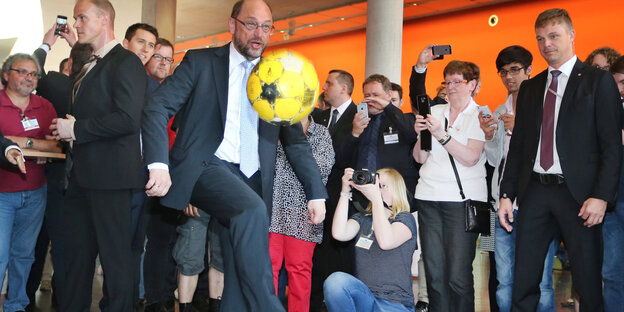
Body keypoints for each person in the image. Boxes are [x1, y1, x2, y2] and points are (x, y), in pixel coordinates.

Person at [141, 0, 327, 310]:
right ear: (232, 25)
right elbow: (158, 108)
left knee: (239, 268)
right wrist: (159, 164)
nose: (259, 34)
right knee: (250, 211)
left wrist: (315, 192)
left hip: (253, 177)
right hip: (207, 167)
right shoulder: (199, 62)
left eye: (266, 27)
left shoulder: (278, 76)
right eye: (251, 24)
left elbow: (295, 142)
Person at [498, 8, 622, 311]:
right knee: (523, 278)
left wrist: (601, 196)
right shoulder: (530, 88)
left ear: (571, 35)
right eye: (540, 38)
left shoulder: (597, 82)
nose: (546, 44)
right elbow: (519, 148)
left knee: (588, 281)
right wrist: (506, 194)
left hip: (579, 196)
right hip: (535, 193)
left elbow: (611, 146)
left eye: (553, 36)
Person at [50, 0, 148, 310]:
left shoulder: (126, 62)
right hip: (82, 179)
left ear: (103, 19)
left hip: (111, 180)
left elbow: (128, 119)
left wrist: (75, 129)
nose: (76, 23)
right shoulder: (89, 65)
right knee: (75, 260)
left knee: (115, 263)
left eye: (82, 17)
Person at [479, 45, 556, 312]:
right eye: (503, 72)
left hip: (538, 200)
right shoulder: (500, 109)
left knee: (543, 281)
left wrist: (522, 129)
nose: (508, 77)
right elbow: (494, 160)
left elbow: (553, 153)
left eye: (514, 70)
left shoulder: (546, 104)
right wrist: (489, 137)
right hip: (503, 202)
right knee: (504, 281)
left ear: (529, 70)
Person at [412, 60, 486, 312]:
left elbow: (471, 157)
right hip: (428, 196)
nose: (451, 87)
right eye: (447, 81)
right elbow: (420, 158)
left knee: (458, 274)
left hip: (464, 202)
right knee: (434, 272)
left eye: (458, 81)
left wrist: (442, 135)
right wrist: (421, 132)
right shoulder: (435, 110)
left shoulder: (481, 114)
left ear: (472, 84)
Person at [0, 53, 62, 312]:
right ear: (6, 75)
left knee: (25, 255)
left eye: (34, 74)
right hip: (2, 192)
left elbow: (57, 144)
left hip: (36, 192)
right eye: (22, 72)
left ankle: (16, 305)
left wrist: (20, 141)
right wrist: (35, 144)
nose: (29, 78)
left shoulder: (45, 106)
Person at [323, 167, 417, 312]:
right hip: (365, 299)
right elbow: (339, 234)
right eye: (376, 185)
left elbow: (386, 241)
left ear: (397, 190)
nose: (378, 190)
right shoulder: (363, 219)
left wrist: (376, 200)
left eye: (383, 186)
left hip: (395, 303)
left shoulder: (405, 218)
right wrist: (345, 192)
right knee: (336, 281)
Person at [269, 115, 334, 312]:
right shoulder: (272, 129)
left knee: (299, 271)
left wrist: (293, 155)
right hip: (272, 209)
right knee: (267, 268)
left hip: (305, 212)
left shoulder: (321, 133)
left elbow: (323, 166)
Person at [310, 69, 357, 312]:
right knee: (316, 256)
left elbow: (345, 156)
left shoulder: (359, 117)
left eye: (329, 83)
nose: (324, 87)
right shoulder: (318, 117)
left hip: (344, 196)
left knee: (338, 255)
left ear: (343, 89)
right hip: (316, 196)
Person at [603, 56, 624, 311]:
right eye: (617, 83)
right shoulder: (606, 109)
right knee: (612, 273)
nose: (621, 89)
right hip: (611, 201)